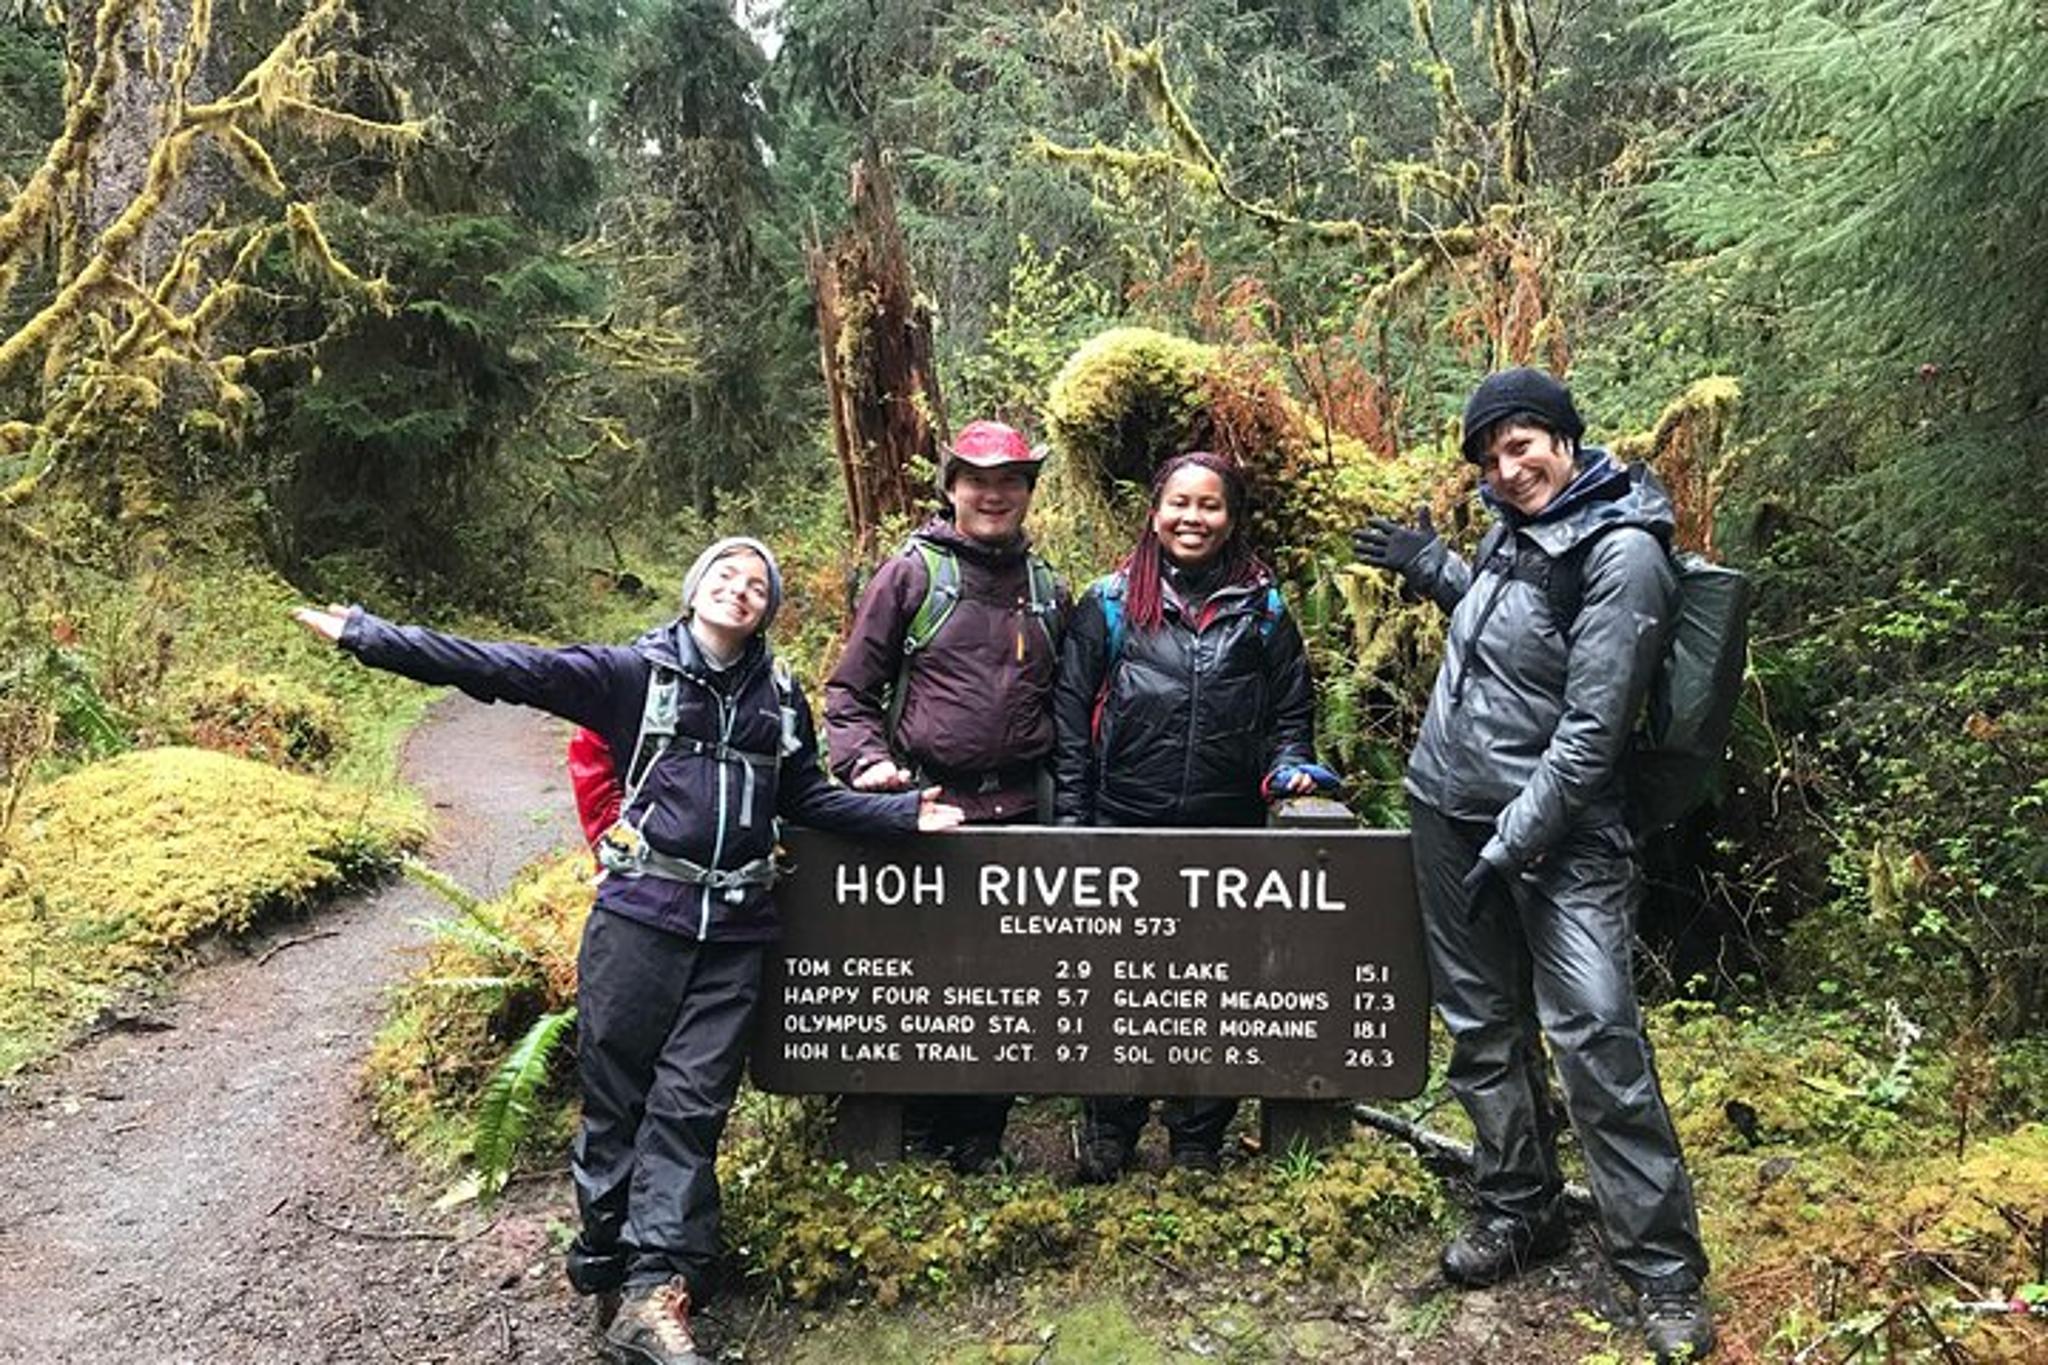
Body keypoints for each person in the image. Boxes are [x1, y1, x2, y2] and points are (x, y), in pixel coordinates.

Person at [294, 537, 962, 1365]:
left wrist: (900, 818)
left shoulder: (781, 695)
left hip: (736, 933)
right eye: (726, 575)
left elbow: (805, 797)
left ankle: (656, 1290)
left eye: (758, 585)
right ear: (694, 591)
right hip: (641, 917)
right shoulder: (630, 674)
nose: (740, 590)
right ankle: (608, 1256)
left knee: (691, 1109)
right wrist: (369, 635)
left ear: (768, 610)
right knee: (618, 1099)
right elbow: (502, 669)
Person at [1352, 368, 1715, 1363]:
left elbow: (1592, 729)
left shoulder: (1625, 551)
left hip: (1560, 835)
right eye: (1489, 454)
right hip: (1444, 804)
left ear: (1562, 437)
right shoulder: (1515, 530)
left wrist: (1513, 839)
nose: (1507, 469)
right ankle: (1519, 1209)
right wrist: (1431, 566)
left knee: (1594, 1035)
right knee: (1478, 1025)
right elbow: (1516, 630)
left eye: (1522, 445)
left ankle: (1662, 1271)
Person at [1052, 450, 1333, 1181]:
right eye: (1179, 502)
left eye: (1209, 505)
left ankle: (1199, 1133)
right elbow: (1070, 724)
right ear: (1154, 511)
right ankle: (1110, 1127)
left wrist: (1288, 765)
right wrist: (1076, 829)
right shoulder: (1109, 603)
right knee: (1113, 983)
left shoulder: (1264, 610)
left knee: (1218, 982)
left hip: (1225, 827)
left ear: (1230, 518)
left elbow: (1290, 714)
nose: (1193, 518)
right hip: (1122, 822)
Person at [823, 419, 1067, 1173]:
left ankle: (981, 1137)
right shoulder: (912, 575)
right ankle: (919, 1130)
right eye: (977, 480)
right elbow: (850, 691)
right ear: (952, 487)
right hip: (929, 810)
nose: (993, 494)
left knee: (1011, 977)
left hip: (1023, 810)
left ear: (1028, 491)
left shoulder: (1048, 587)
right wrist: (865, 763)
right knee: (925, 973)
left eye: (1010, 481)